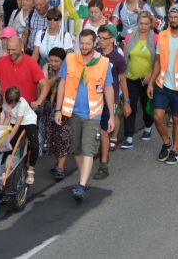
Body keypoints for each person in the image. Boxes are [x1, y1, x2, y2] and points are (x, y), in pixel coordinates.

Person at [54, 29, 115, 202]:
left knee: (88, 148)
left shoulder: (103, 63)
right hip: (73, 112)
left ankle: (80, 185)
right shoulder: (70, 58)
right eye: (81, 43)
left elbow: (108, 88)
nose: (84, 46)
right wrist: (58, 109)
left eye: (88, 43)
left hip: (93, 115)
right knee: (78, 150)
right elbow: (62, 83)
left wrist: (110, 115)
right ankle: (84, 180)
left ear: (94, 43)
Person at [147, 4, 178, 165]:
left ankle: (174, 150)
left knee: (177, 120)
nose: (173, 20)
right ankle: (166, 141)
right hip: (162, 84)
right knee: (157, 116)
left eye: (176, 17)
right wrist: (150, 82)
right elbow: (157, 62)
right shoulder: (162, 36)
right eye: (171, 17)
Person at [93, 24, 129, 180]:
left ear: (113, 39)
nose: (100, 41)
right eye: (99, 37)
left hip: (110, 99)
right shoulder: (94, 54)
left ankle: (104, 164)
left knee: (103, 132)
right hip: (93, 97)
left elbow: (122, 81)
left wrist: (126, 102)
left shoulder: (118, 59)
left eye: (104, 38)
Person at [121, 12, 158, 149]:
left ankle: (148, 127)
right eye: (141, 23)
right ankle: (129, 136)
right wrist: (123, 75)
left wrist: (152, 75)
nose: (143, 26)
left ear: (151, 24)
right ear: (138, 23)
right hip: (131, 78)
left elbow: (159, 61)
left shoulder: (155, 39)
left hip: (148, 80)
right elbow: (125, 57)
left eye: (146, 24)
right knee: (129, 106)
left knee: (146, 105)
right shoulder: (130, 37)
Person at [0, 36, 49, 109]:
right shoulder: (1, 61)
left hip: (26, 109)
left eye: (13, 50)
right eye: (8, 49)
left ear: (21, 47)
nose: (10, 53)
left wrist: (39, 101)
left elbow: (45, 85)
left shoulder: (31, 62)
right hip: (6, 107)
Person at [43, 48, 70, 180]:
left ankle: (61, 166)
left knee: (63, 137)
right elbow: (43, 85)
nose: (53, 63)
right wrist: (56, 77)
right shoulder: (47, 69)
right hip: (49, 107)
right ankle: (58, 162)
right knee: (52, 137)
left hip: (64, 108)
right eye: (51, 60)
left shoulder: (68, 71)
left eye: (56, 61)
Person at [4, 86, 39, 185]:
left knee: (34, 145)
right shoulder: (6, 100)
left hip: (28, 121)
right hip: (14, 121)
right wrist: (4, 137)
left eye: (12, 103)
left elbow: (17, 127)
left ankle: (31, 170)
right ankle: (7, 168)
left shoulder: (22, 103)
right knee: (9, 145)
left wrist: (7, 140)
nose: (9, 105)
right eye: (8, 102)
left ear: (17, 100)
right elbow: (7, 119)